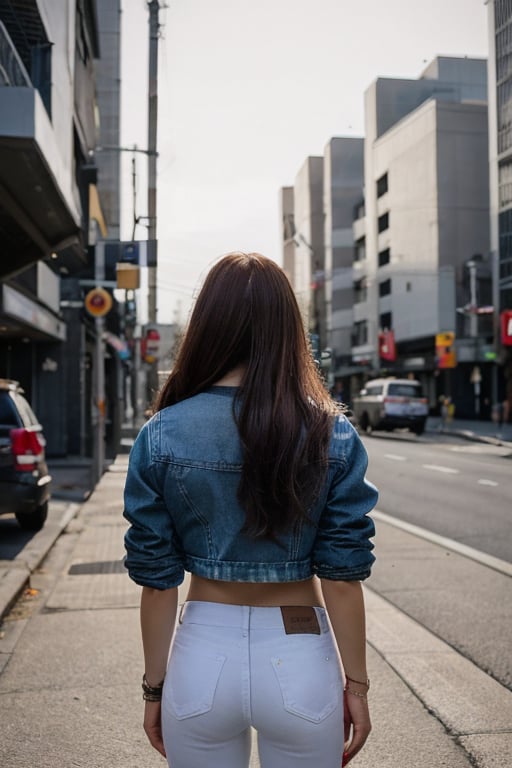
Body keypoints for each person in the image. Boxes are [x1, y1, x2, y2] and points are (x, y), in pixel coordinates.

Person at [123, 252, 378, 768]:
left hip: (201, 654)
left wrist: (155, 691)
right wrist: (357, 684)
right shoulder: (334, 432)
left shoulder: (161, 431)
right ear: (288, 328)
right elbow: (343, 576)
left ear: (207, 326)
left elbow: (157, 580)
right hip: (300, 648)